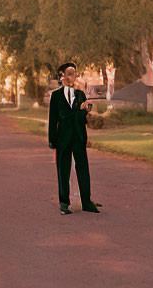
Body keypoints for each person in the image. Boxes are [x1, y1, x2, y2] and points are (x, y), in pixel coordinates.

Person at [48, 62, 100, 215]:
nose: (74, 76)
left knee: (83, 168)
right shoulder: (56, 96)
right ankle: (64, 203)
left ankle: (87, 201)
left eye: (75, 73)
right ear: (62, 76)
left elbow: (82, 119)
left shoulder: (80, 94)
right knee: (63, 170)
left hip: (78, 136)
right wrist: (52, 141)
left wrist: (85, 112)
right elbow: (53, 120)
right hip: (63, 139)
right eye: (70, 73)